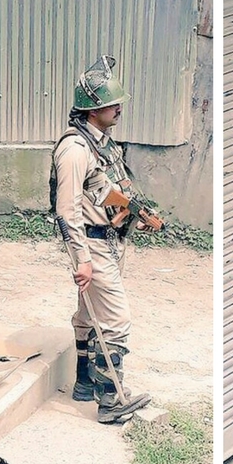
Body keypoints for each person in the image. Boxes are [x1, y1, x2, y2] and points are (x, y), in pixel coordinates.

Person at [49, 55, 155, 423]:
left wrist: (134, 215)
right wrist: (81, 258)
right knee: (116, 320)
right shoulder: (74, 150)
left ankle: (83, 382)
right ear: (94, 110)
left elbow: (104, 190)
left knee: (88, 314)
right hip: (91, 245)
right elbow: (67, 209)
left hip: (107, 238)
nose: (119, 108)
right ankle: (111, 400)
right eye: (113, 103)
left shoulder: (101, 144)